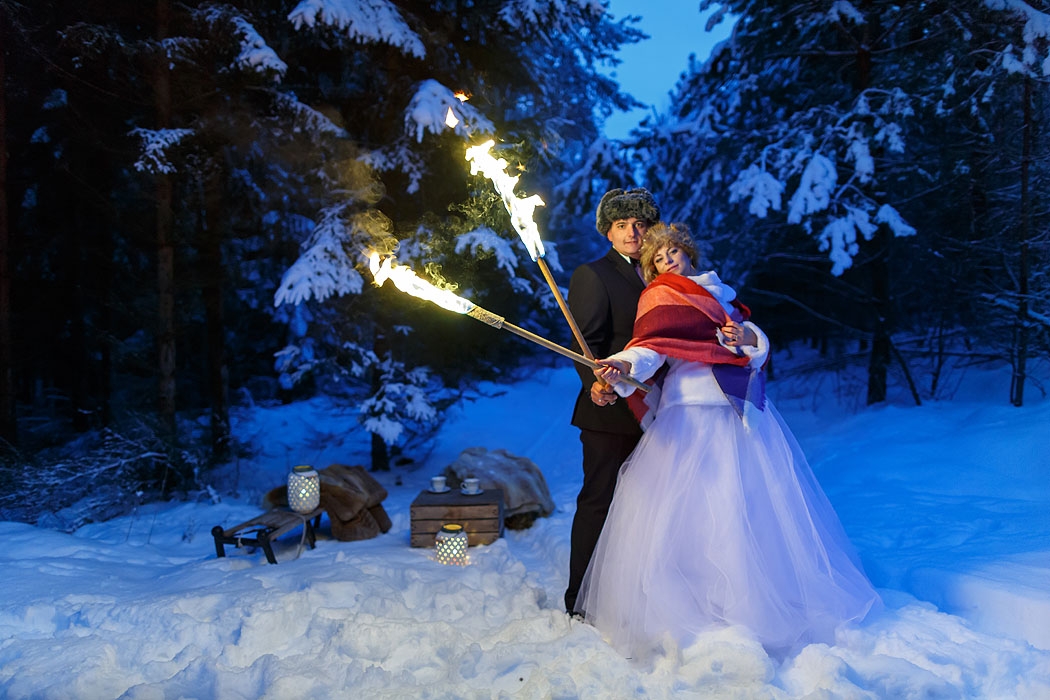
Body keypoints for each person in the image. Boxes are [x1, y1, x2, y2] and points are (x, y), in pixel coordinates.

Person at [575, 222, 881, 658]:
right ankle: (687, 604)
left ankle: (747, 604)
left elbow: (754, 343)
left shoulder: (723, 294)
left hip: (734, 410)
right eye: (658, 259)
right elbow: (649, 349)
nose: (667, 262)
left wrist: (746, 338)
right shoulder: (659, 297)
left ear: (688, 253)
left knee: (743, 503)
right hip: (687, 408)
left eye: (672, 253)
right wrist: (622, 366)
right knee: (686, 508)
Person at [563, 187, 661, 615]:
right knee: (600, 500)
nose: (632, 232)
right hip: (610, 412)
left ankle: (636, 595)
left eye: (639, 224)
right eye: (621, 225)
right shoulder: (593, 274)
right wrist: (594, 384)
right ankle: (580, 597)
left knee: (651, 506)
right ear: (607, 231)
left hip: (661, 413)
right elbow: (586, 342)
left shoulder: (663, 272)